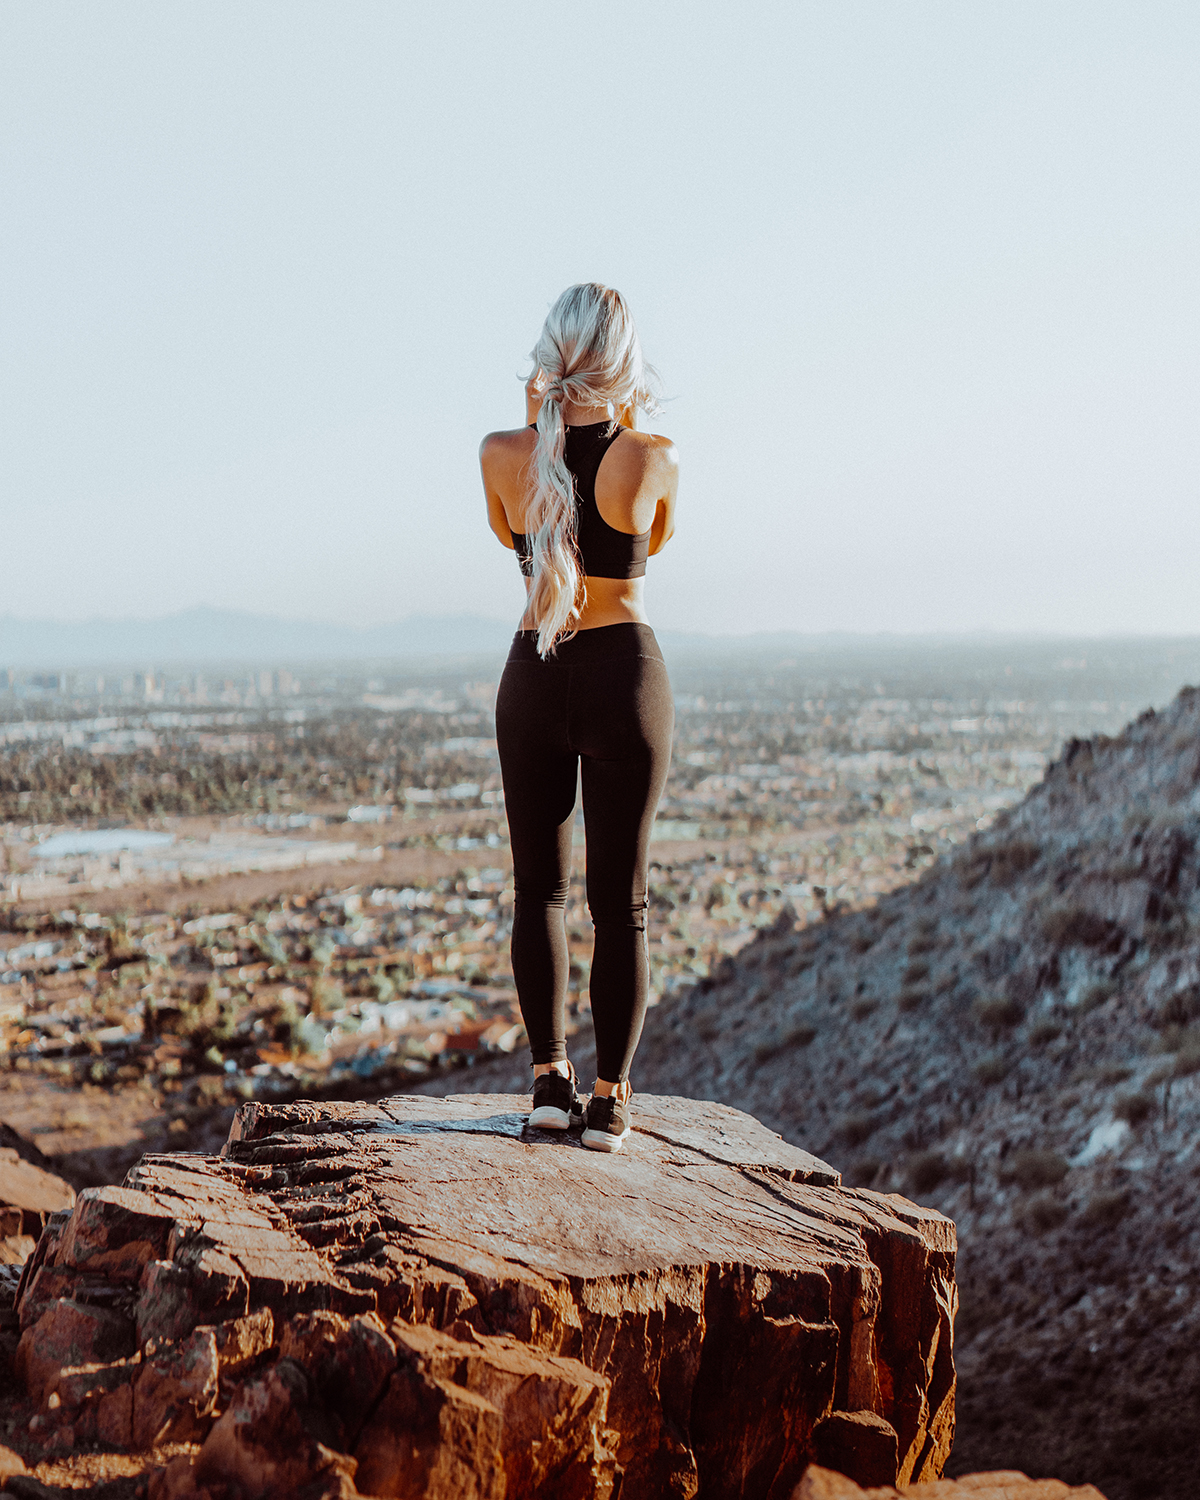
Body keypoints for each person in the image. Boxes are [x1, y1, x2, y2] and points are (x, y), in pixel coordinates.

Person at [479, 283, 679, 1152]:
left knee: (539, 892)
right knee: (620, 903)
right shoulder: (652, 457)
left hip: (534, 671)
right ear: (624, 361)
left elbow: (510, 537)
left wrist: (541, 422)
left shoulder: (499, 455)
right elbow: (654, 544)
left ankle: (547, 1085)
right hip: (623, 675)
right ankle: (609, 1098)